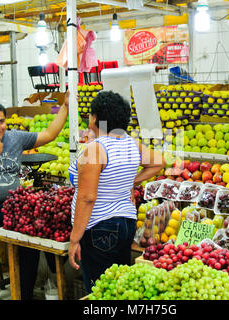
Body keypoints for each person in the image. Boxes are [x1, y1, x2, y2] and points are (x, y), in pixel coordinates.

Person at [0, 95, 69, 289]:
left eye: (1, 121)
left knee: (31, 241)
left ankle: (24, 291)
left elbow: (49, 134)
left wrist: (66, 106)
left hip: (12, 205)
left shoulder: (15, 137)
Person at [67, 90, 165, 293]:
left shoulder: (95, 149)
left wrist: (74, 239)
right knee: (119, 288)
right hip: (125, 224)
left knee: (100, 291)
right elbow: (159, 163)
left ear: (95, 118)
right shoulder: (130, 143)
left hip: (99, 227)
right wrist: (132, 181)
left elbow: (87, 198)